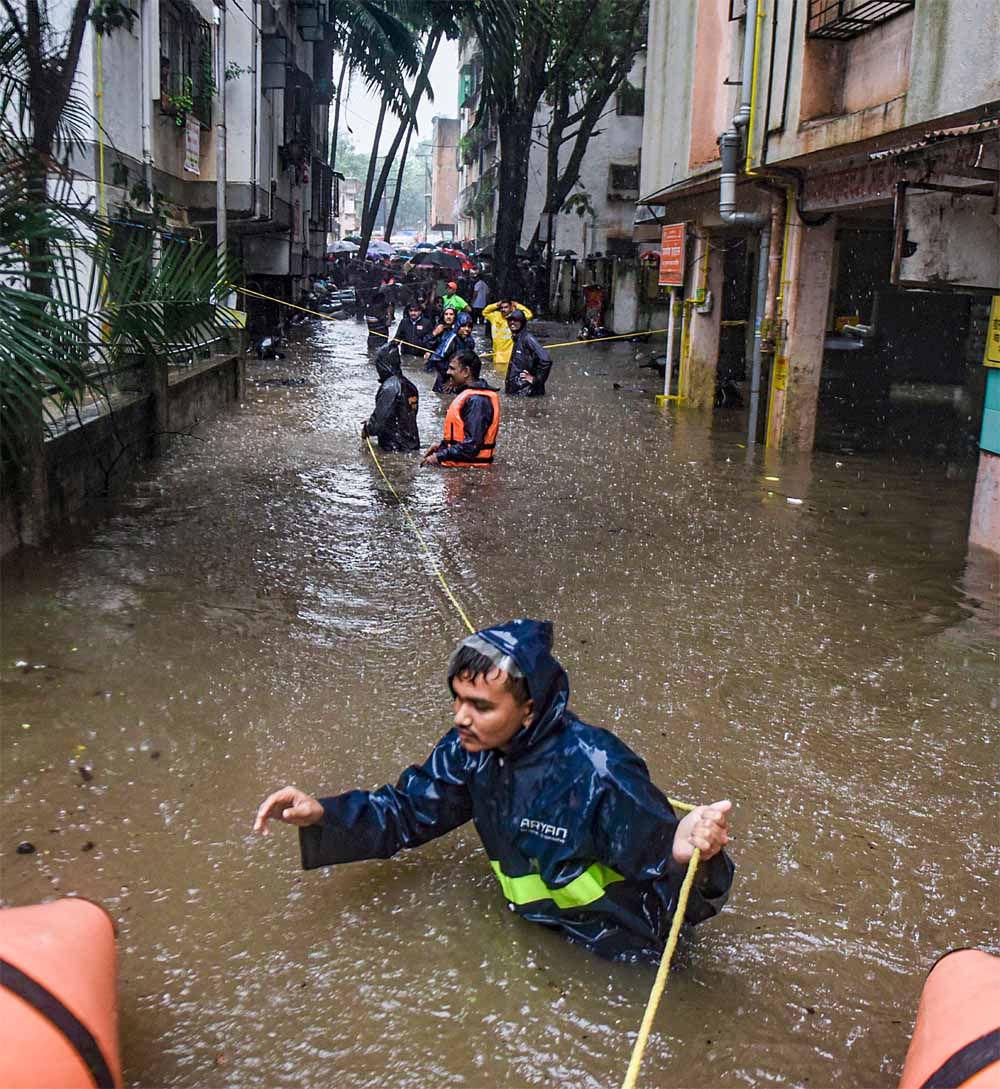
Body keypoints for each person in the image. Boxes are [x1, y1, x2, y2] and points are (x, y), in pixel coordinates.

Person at [254, 619, 733, 963]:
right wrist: (324, 814)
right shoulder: (471, 750)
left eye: (480, 705)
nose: (460, 716)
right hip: (540, 933)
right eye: (457, 699)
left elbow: (680, 889)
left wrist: (686, 849)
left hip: (619, 946)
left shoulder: (599, 770)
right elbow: (406, 812)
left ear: (529, 709)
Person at [420, 350, 499, 467]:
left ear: (466, 372)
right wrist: (442, 446)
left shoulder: (478, 400)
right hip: (462, 468)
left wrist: (439, 456)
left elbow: (472, 446)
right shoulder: (471, 396)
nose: (448, 372)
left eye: (452, 368)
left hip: (469, 473)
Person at [361, 343, 420, 452]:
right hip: (412, 445)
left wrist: (368, 429)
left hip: (394, 448)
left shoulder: (389, 387)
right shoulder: (410, 386)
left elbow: (378, 423)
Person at [505, 309, 552, 396]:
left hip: (525, 391)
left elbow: (546, 360)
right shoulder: (517, 338)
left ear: (522, 322)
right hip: (516, 391)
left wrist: (536, 380)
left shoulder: (527, 338)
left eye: (515, 320)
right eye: (510, 320)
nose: (512, 322)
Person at [428, 313, 476, 393]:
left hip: (460, 379)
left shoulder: (470, 341)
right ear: (458, 326)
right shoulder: (451, 339)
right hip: (445, 381)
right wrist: (451, 378)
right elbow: (437, 359)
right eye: (463, 326)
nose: (467, 329)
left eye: (469, 327)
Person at [482, 298, 533, 370]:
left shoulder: (514, 319)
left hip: (510, 357)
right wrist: (496, 305)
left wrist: (517, 305)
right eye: (501, 307)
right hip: (497, 356)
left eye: (506, 307)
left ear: (511, 307)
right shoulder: (495, 316)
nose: (503, 309)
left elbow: (529, 314)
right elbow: (485, 312)